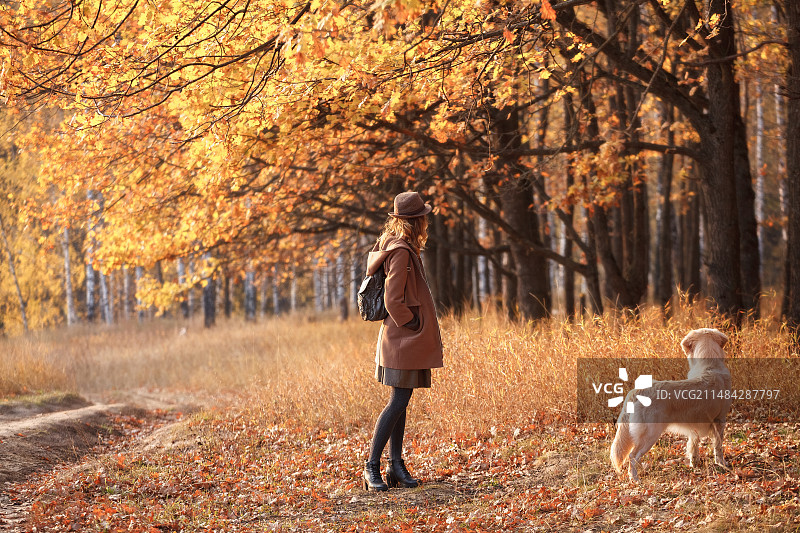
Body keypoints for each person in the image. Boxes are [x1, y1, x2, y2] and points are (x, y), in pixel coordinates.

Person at [363, 191, 444, 491]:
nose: (426, 220)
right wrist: (413, 323)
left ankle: (395, 465)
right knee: (398, 400)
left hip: (401, 338)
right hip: (402, 338)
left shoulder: (401, 247)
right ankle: (371, 466)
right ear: (415, 221)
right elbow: (392, 299)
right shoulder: (399, 252)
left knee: (402, 399)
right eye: (423, 217)